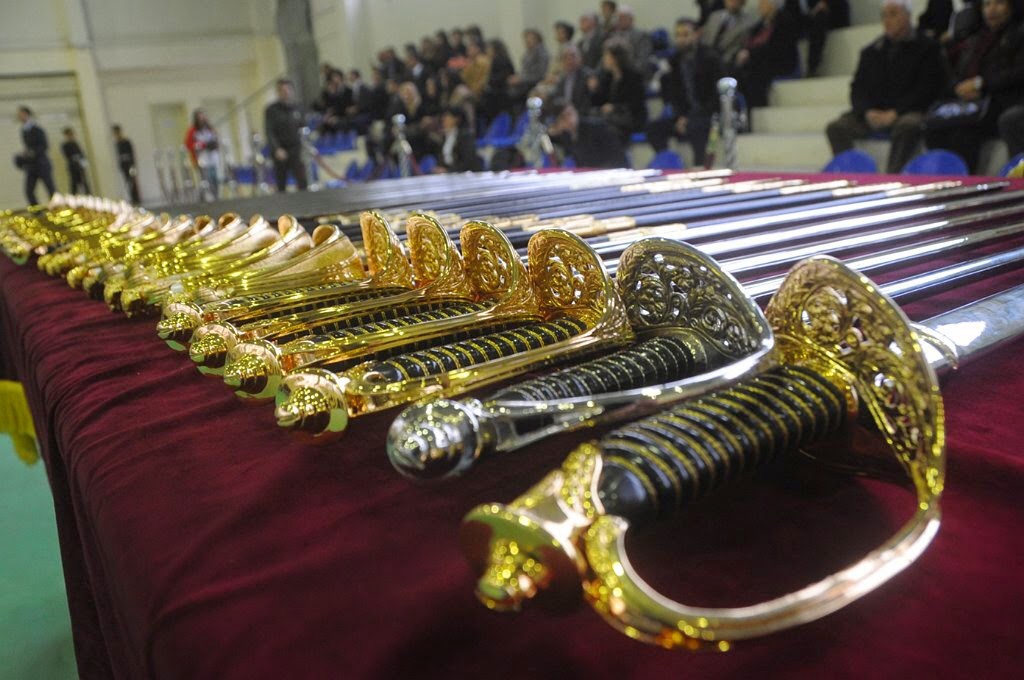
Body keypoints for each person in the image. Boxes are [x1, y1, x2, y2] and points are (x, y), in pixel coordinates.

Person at [825, 0, 946, 174]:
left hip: (908, 111)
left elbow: (927, 89)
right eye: (884, 16)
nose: (888, 20)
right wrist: (867, 112)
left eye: (893, 14)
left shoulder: (928, 47)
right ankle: (851, 174)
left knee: (909, 125)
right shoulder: (871, 52)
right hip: (875, 113)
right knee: (837, 127)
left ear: (907, 16)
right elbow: (857, 89)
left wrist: (896, 112)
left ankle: (893, 175)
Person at [926, 0, 1024, 172]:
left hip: (1004, 100)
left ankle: (965, 182)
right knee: (936, 126)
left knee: (964, 131)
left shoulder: (1019, 34)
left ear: (1011, 6)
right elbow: (956, 72)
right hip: (973, 103)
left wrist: (982, 84)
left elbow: (1017, 73)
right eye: (987, 4)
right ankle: (938, 180)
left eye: (999, 3)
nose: (992, 10)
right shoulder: (975, 38)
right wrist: (959, 87)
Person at [647, 18, 723, 167]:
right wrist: (679, 117)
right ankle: (668, 163)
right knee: (653, 128)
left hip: (708, 114)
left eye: (685, 34)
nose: (681, 39)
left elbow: (715, 97)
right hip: (685, 115)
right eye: (678, 35)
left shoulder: (710, 58)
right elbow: (673, 96)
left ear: (696, 35)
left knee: (696, 127)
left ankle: (700, 167)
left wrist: (689, 117)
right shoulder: (674, 61)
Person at [732, 0, 801, 107]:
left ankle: (757, 110)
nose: (759, 6)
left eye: (763, 3)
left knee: (753, 76)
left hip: (777, 64)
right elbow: (748, 44)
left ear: (773, 5)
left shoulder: (785, 22)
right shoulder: (759, 26)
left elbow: (777, 49)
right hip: (757, 62)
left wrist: (751, 54)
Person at [588, 43, 648, 141]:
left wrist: (614, 107)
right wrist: (594, 89)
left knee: (606, 129)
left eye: (606, 55)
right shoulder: (608, 77)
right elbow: (598, 102)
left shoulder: (634, 76)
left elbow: (636, 104)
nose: (603, 59)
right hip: (612, 117)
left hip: (631, 117)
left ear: (616, 58)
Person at [548, 102, 628, 167]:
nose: (570, 120)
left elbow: (612, 155)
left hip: (611, 168)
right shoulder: (566, 135)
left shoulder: (595, 127)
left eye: (570, 114)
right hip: (591, 172)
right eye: (563, 117)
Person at [264, 78, 308, 192]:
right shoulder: (271, 110)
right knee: (281, 184)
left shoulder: (299, 108)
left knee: (302, 181)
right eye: (282, 90)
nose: (286, 92)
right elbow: (269, 131)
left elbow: (304, 128)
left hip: (296, 149)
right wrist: (277, 149)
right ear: (278, 92)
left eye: (288, 89)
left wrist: (303, 147)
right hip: (280, 150)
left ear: (292, 91)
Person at [14, 106, 55, 206]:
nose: (19, 117)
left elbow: (44, 146)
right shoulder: (23, 130)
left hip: (42, 164)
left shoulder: (37, 129)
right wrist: (24, 153)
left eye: (21, 114)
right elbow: (28, 146)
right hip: (31, 166)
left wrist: (32, 152)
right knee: (29, 191)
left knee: (51, 189)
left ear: (26, 114)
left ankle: (57, 210)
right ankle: (37, 212)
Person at [701, 0, 759, 66]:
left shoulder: (748, 24)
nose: (732, 2)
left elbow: (738, 48)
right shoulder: (714, 16)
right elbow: (705, 40)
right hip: (703, 59)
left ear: (743, 2)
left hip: (725, 64)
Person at [804, 0, 851, 76]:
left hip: (834, 13)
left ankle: (812, 67)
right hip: (815, 14)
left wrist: (824, 4)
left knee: (820, 18)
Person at [184, 109, 221, 201]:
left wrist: (214, 144)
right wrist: (203, 145)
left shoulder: (210, 129)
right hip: (202, 158)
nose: (202, 118)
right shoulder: (193, 131)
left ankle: (216, 195)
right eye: (200, 117)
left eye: (203, 116)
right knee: (205, 178)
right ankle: (205, 196)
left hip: (212, 156)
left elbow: (216, 139)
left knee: (214, 177)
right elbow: (188, 144)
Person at [434, 107, 483, 172]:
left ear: (456, 119)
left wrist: (449, 170)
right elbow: (444, 158)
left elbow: (467, 161)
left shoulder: (465, 136)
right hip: (449, 174)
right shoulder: (445, 137)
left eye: (447, 116)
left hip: (466, 174)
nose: (443, 119)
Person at [111, 124, 141, 204]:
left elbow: (131, 154)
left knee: (132, 182)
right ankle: (132, 198)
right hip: (123, 165)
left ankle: (136, 199)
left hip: (130, 164)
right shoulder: (117, 143)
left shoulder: (126, 141)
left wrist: (133, 165)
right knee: (127, 182)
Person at [60, 127, 90, 195]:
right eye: (69, 135)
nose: (71, 136)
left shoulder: (76, 143)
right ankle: (73, 196)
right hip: (73, 167)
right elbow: (67, 156)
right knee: (74, 183)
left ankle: (88, 194)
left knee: (84, 182)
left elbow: (81, 154)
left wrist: (83, 162)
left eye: (72, 134)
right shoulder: (65, 145)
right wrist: (75, 158)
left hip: (80, 166)